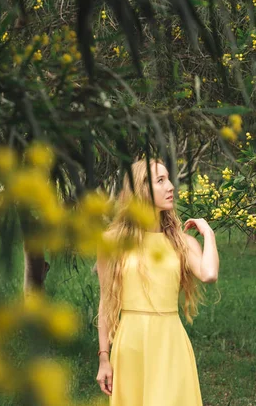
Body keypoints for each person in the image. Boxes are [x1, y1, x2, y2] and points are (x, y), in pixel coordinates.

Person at [95, 158, 220, 405]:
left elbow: (209, 273)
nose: (171, 186)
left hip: (169, 341)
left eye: (169, 179)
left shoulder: (182, 242)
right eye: (160, 181)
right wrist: (104, 358)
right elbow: (105, 302)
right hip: (130, 343)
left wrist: (209, 234)